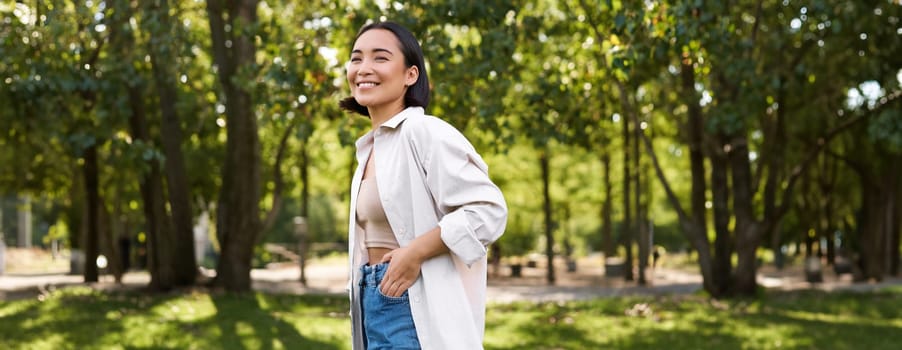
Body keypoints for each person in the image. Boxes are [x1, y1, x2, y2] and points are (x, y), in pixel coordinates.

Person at [340, 21, 508, 350]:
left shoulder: (423, 132)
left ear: (410, 75)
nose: (364, 68)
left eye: (380, 58)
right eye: (357, 58)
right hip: (372, 298)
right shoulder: (370, 148)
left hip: (409, 306)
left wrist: (414, 253)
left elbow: (489, 211)